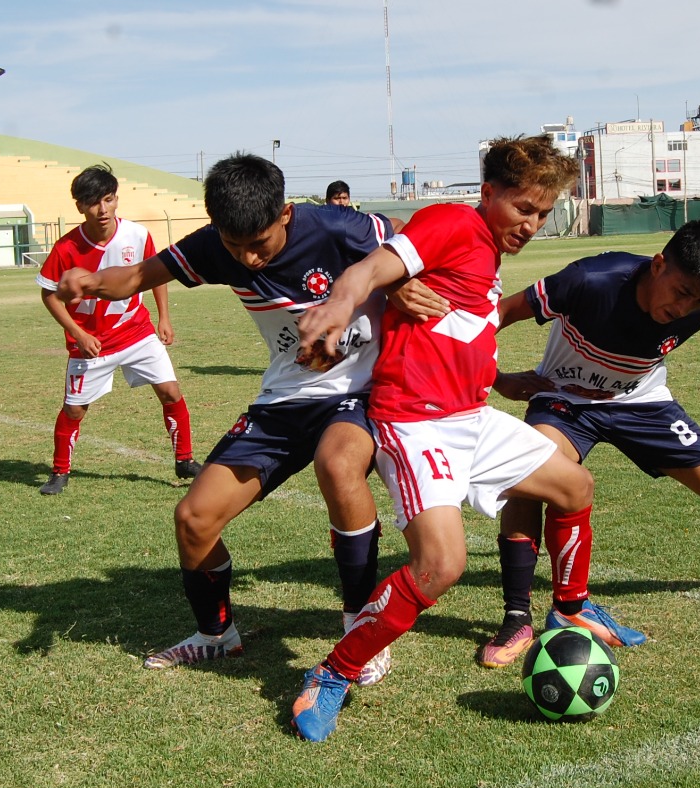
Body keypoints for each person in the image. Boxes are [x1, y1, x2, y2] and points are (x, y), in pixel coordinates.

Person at [289, 134, 642, 742]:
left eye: (543, 213)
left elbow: (454, 328)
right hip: (413, 421)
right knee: (441, 565)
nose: (532, 224)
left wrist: (498, 377)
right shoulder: (454, 222)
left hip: (470, 416)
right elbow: (371, 267)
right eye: (523, 208)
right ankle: (333, 672)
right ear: (488, 194)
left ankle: (571, 610)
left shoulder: (485, 253)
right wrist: (340, 304)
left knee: (574, 484)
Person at [57, 153, 445, 684]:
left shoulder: (334, 225)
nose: (249, 258)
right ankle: (218, 636)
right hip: (287, 398)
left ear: (285, 214)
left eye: (258, 244)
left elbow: (404, 234)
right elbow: (140, 275)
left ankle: (360, 627)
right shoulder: (217, 247)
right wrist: (89, 282)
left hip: (364, 388)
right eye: (235, 246)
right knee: (194, 518)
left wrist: (399, 277)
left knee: (338, 465)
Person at [478, 221, 700, 667]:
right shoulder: (589, 280)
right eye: (681, 292)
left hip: (644, 404)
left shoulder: (699, 303)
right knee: (533, 478)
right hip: (565, 400)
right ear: (658, 265)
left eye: (697, 299)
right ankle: (518, 616)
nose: (685, 308)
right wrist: (497, 379)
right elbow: (496, 314)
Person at [37, 164, 197, 495]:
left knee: (170, 391)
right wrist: (79, 334)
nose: (102, 209)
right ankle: (59, 472)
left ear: (116, 200)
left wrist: (163, 317)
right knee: (74, 409)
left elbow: (155, 275)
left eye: (108, 199)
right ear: (80, 206)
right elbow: (48, 295)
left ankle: (185, 460)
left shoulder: (137, 235)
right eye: (93, 202)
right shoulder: (66, 249)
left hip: (137, 331)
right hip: (92, 343)